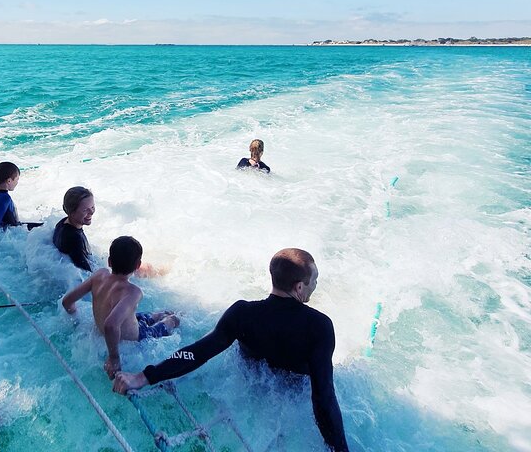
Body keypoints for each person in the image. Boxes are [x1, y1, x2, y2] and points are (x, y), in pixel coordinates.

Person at [113, 248, 349, 451]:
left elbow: (198, 352)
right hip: (289, 401)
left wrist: (144, 376)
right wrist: (340, 449)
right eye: (314, 280)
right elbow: (323, 395)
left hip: (249, 388)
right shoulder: (319, 326)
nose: (316, 285)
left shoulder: (243, 313)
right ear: (299, 286)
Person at [62, 236, 179, 378]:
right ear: (138, 266)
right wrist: (114, 358)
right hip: (139, 337)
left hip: (132, 322)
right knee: (173, 319)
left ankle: (162, 315)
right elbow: (111, 325)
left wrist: (75, 318)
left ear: (109, 261)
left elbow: (67, 301)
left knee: (154, 315)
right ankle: (178, 315)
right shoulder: (133, 292)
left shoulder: (99, 275)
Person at [53, 186, 95, 271]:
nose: (91, 212)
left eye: (92, 207)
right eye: (85, 210)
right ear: (72, 212)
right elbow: (87, 273)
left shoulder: (62, 222)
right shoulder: (74, 240)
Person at [0, 162, 21, 229]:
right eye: (17, 179)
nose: (17, 182)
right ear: (9, 181)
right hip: (13, 232)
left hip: (13, 229)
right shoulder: (5, 198)